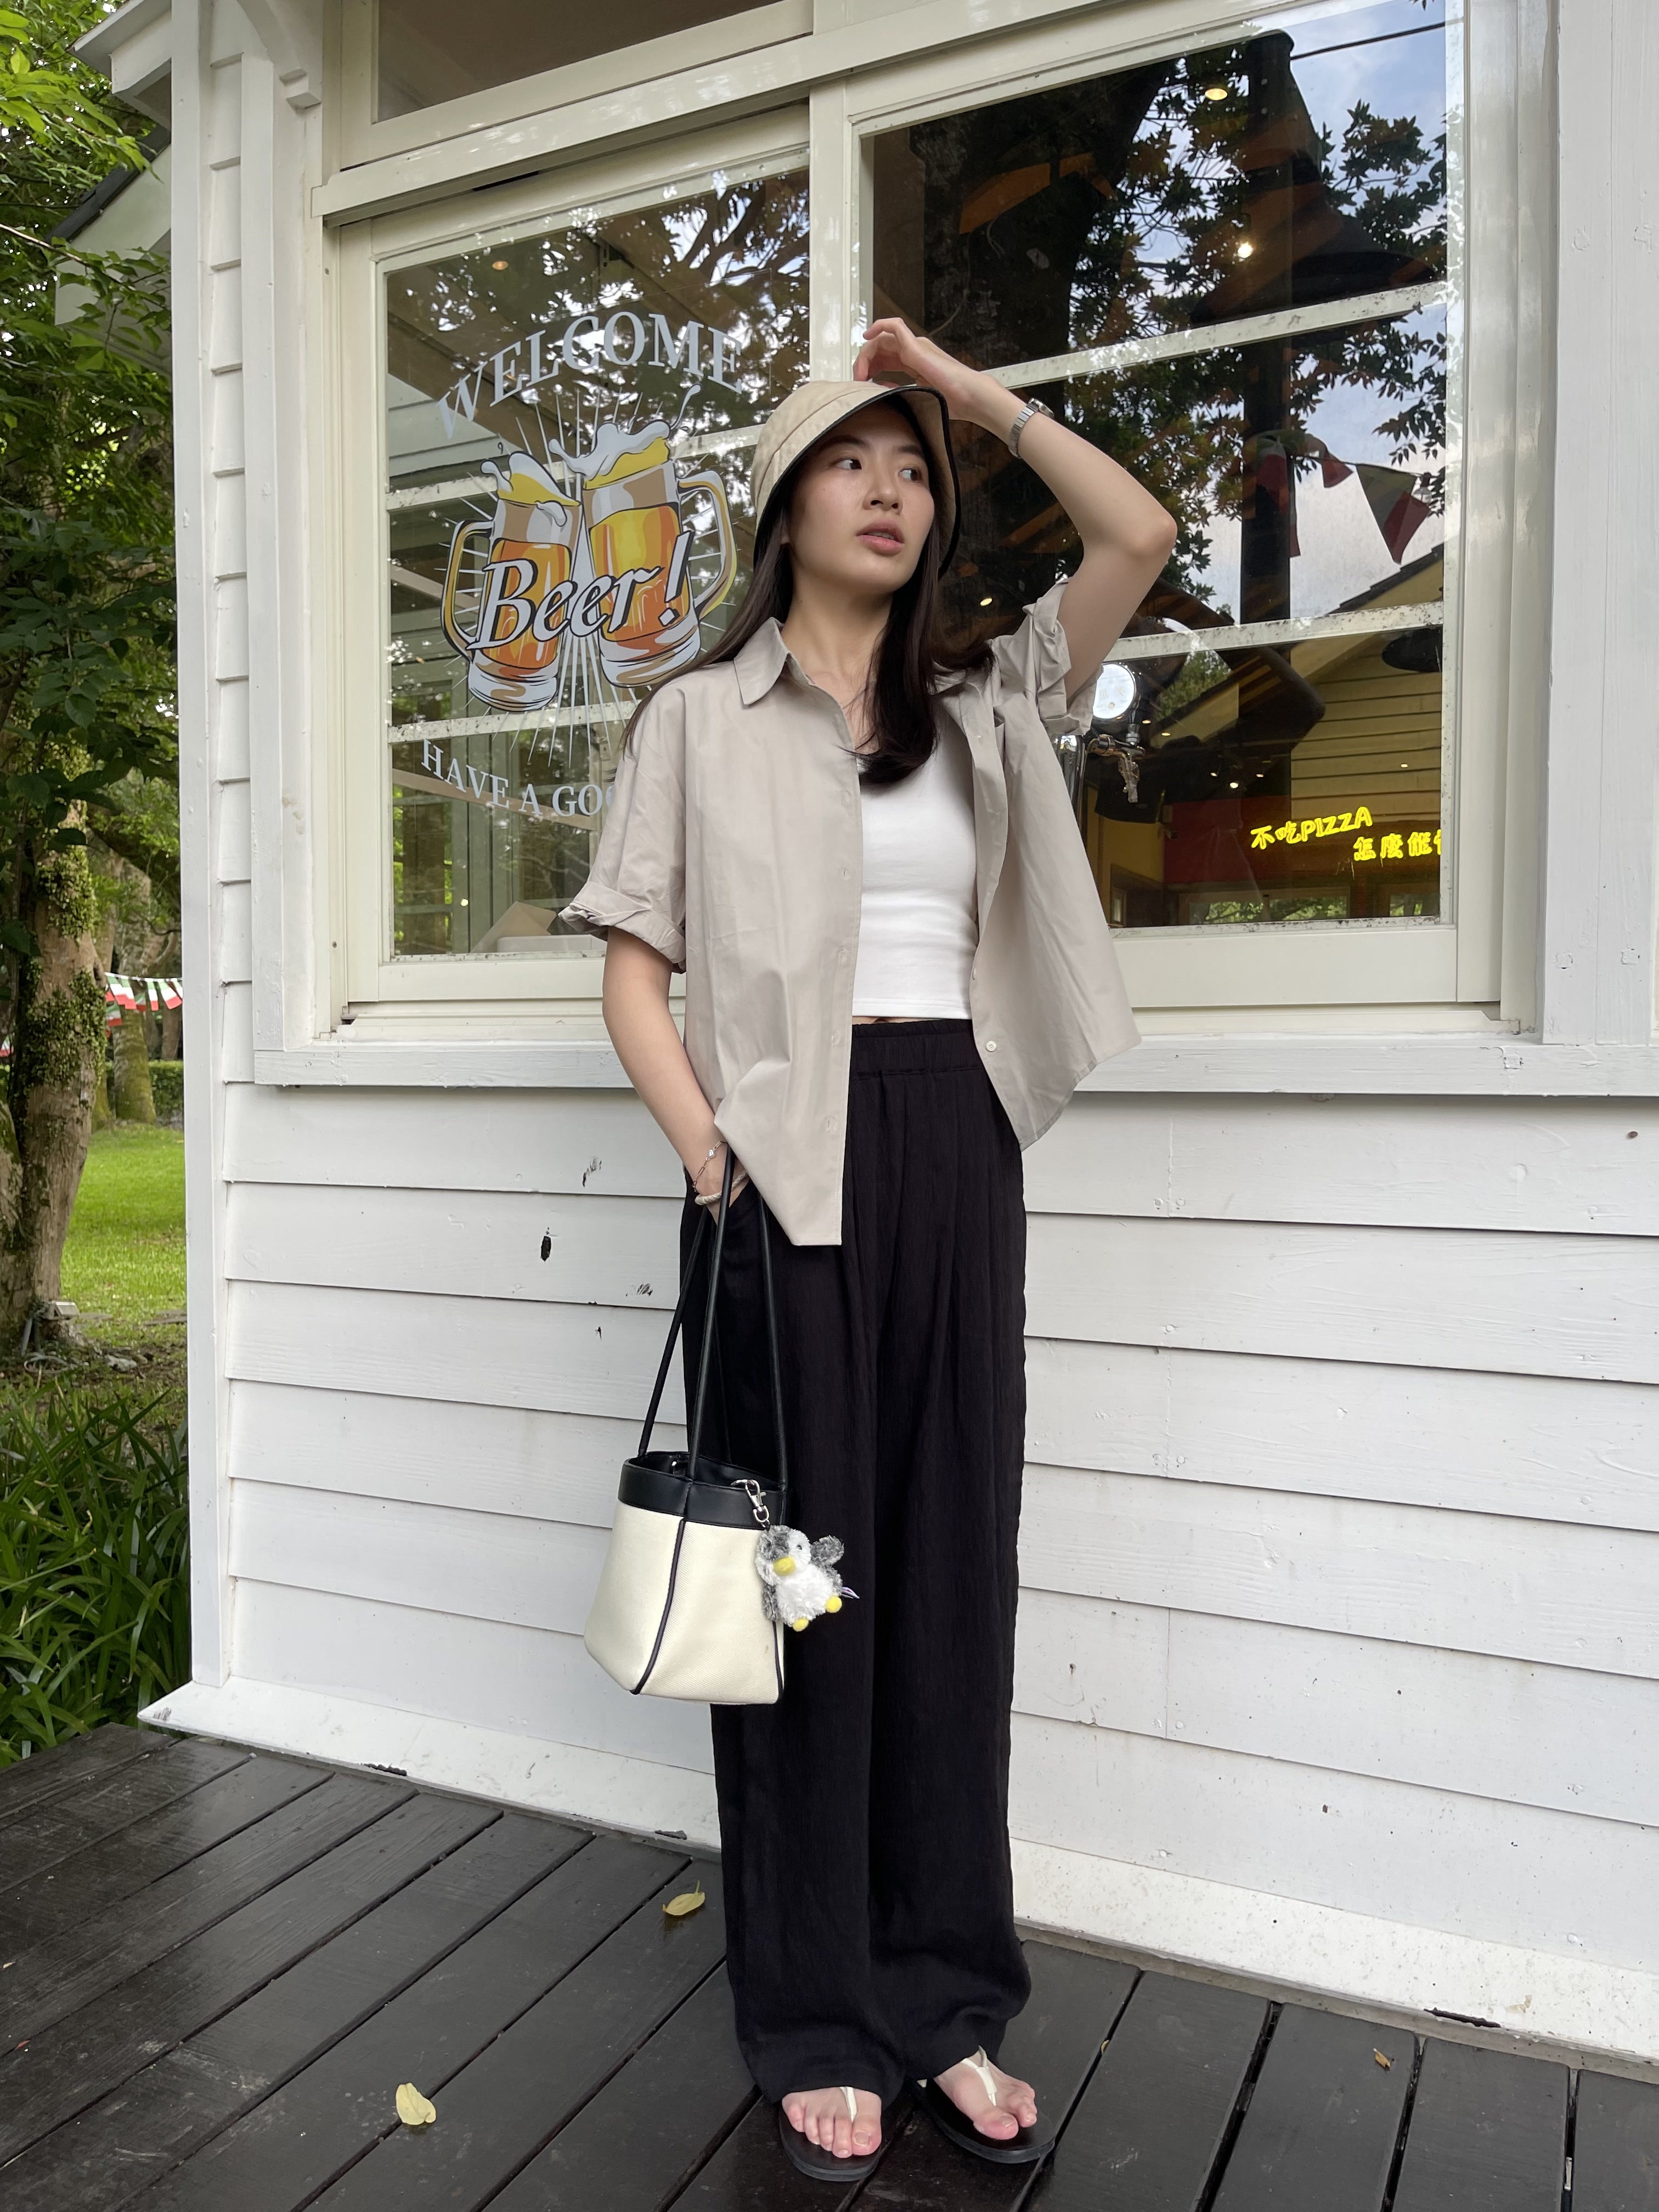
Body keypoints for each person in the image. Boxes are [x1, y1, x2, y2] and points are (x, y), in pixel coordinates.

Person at [562, 315, 1174, 2180]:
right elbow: (635, 972)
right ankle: (820, 2009)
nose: (893, 493)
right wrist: (710, 1156)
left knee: (947, 1577)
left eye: (916, 472)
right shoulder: (698, 717)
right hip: (777, 1170)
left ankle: (944, 1999)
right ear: (785, 503)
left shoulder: (988, 696)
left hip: (950, 1140)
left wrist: (973, 398)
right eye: (855, 461)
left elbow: (1137, 537)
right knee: (801, 1594)